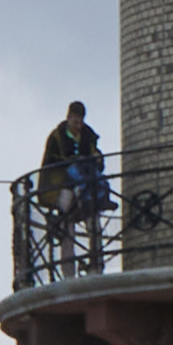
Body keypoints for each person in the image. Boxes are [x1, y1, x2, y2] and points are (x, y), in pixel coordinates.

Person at [38, 99, 110, 275]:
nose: (79, 125)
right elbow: (50, 163)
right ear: (68, 118)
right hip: (64, 184)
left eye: (81, 121)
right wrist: (69, 164)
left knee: (93, 222)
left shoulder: (89, 136)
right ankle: (68, 270)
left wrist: (97, 158)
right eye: (75, 121)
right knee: (66, 220)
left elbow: (98, 163)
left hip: (86, 185)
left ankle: (96, 265)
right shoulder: (56, 137)